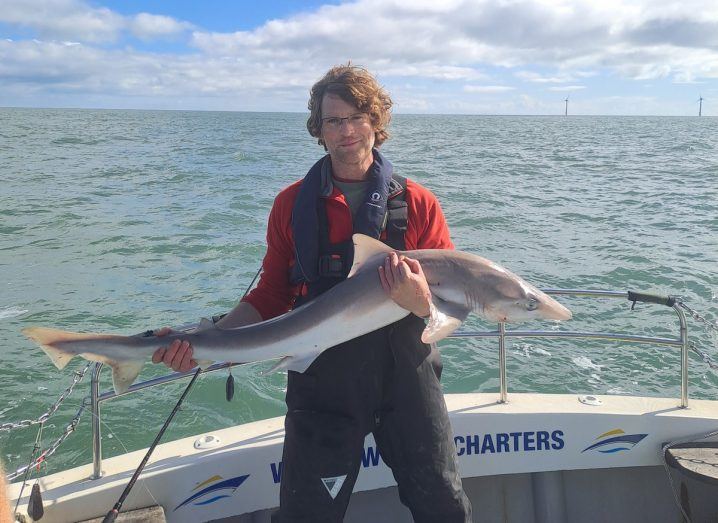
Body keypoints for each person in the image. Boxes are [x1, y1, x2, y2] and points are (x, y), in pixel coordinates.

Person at [153, 65, 472, 522]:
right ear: (318, 131)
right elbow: (269, 297)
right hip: (323, 382)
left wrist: (419, 299)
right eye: (333, 121)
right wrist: (207, 340)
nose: (346, 131)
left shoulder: (419, 203)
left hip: (408, 380)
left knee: (446, 508)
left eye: (357, 117)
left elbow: (445, 306)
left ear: (376, 122)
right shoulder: (291, 204)